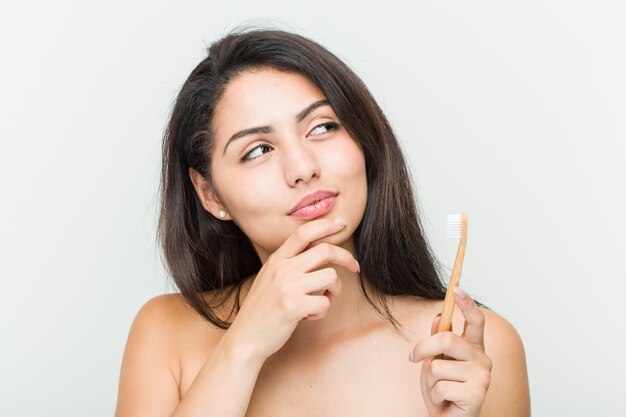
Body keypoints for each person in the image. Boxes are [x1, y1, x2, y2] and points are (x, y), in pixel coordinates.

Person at [115, 28, 530, 417]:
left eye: (323, 127)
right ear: (210, 194)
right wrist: (243, 346)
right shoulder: (166, 334)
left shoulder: (466, 348)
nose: (302, 168)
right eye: (258, 150)